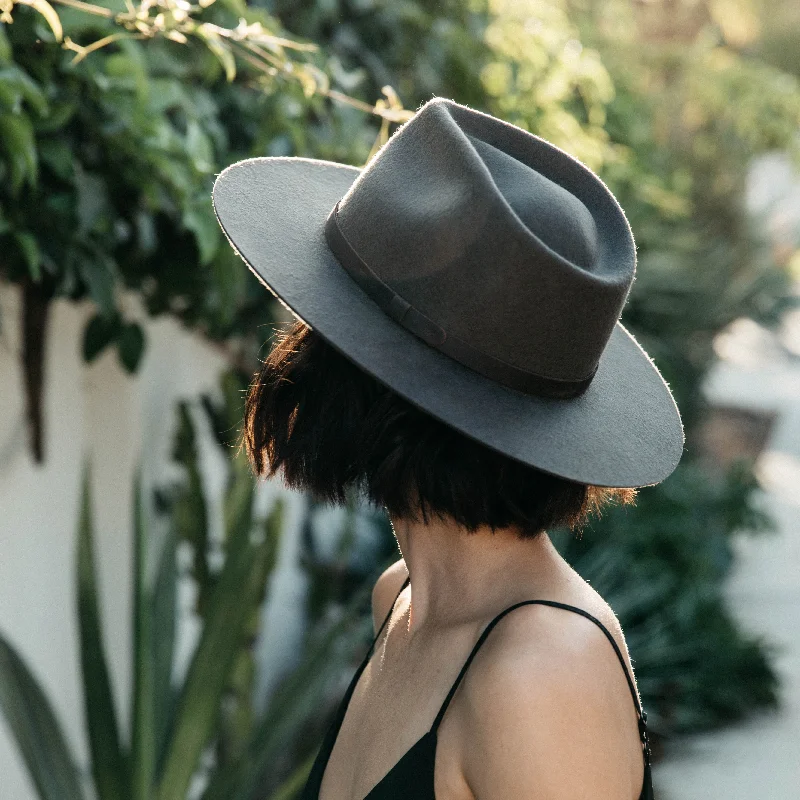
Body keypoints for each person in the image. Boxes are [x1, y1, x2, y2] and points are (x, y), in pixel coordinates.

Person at [212, 96, 683, 800]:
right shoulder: (399, 599)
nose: (295, 343)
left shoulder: (540, 672)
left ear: (372, 385)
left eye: (323, 320)